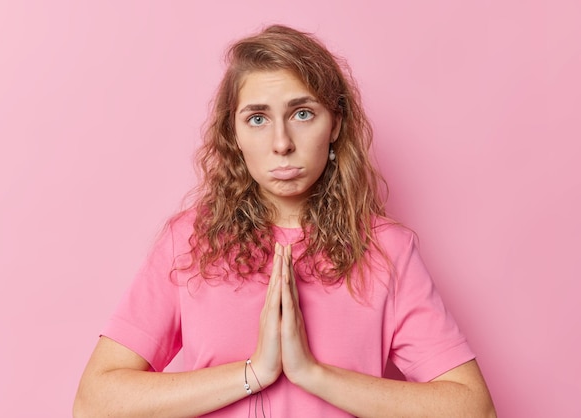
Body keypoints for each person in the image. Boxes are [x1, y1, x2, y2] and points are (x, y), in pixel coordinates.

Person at [73, 25, 496, 417]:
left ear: (336, 124)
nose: (281, 144)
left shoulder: (386, 249)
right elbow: (95, 403)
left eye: (302, 113)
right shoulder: (189, 240)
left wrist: (312, 373)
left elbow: (473, 408)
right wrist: (254, 373)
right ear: (234, 135)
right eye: (257, 119)